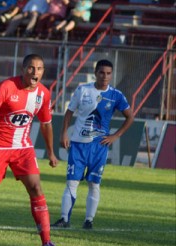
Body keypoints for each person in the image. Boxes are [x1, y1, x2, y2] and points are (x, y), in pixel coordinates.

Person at [0, 53, 64, 246]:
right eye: (31, 68)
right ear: (23, 69)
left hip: (23, 147)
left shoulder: (44, 94)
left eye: (39, 69)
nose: (35, 72)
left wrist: (51, 152)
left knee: (36, 188)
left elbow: (46, 124)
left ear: (43, 72)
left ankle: (47, 243)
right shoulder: (7, 87)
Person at [52, 59, 134, 230]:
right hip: (78, 145)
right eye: (102, 72)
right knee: (72, 182)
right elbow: (69, 113)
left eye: (108, 73)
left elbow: (130, 117)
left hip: (99, 146)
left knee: (94, 183)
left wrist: (115, 136)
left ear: (112, 75)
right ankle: (64, 219)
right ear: (96, 73)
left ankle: (89, 220)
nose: (105, 76)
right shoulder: (83, 90)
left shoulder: (116, 95)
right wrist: (64, 133)